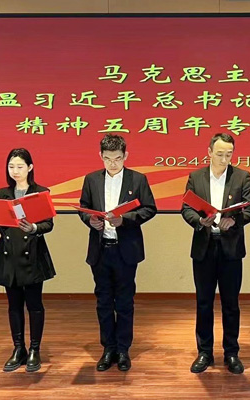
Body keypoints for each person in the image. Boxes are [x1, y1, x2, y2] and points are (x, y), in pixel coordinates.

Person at [181, 133, 250, 374]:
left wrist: (234, 220)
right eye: (219, 154)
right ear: (209, 152)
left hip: (230, 249)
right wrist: (199, 221)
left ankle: (231, 353)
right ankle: (204, 352)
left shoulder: (242, 177)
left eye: (228, 154)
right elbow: (186, 208)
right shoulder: (196, 177)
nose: (224, 159)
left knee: (231, 303)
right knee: (204, 302)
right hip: (204, 247)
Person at [78, 134, 157, 372]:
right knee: (103, 301)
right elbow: (83, 208)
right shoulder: (91, 179)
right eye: (108, 159)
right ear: (100, 156)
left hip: (126, 250)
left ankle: (123, 349)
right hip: (100, 249)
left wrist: (125, 219)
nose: (113, 163)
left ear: (126, 156)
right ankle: (108, 348)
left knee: (124, 301)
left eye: (118, 158)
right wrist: (90, 220)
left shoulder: (138, 179)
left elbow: (150, 209)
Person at [0, 148, 55, 372]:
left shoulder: (40, 192)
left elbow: (48, 225)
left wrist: (33, 228)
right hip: (9, 253)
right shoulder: (3, 193)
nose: (15, 171)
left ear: (30, 167)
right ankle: (18, 348)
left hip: (32, 254)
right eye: (11, 166)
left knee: (34, 304)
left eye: (20, 166)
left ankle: (34, 349)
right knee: (13, 305)